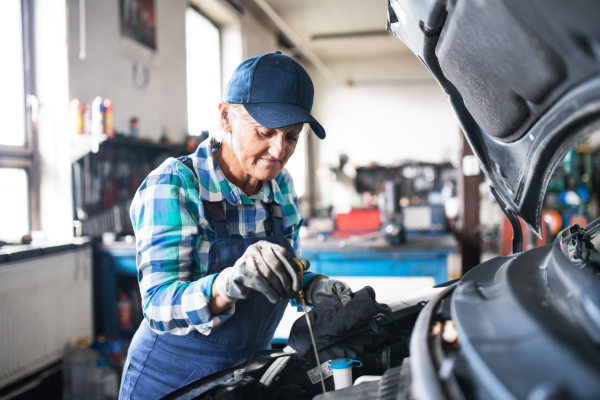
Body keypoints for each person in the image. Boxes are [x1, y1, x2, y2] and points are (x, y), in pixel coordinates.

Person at [119, 51, 353, 399]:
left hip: (245, 378)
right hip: (171, 382)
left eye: (291, 136)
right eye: (265, 131)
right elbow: (158, 305)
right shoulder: (175, 185)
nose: (279, 150)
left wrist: (311, 285)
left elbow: (282, 273)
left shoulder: (282, 186)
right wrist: (226, 284)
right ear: (226, 117)